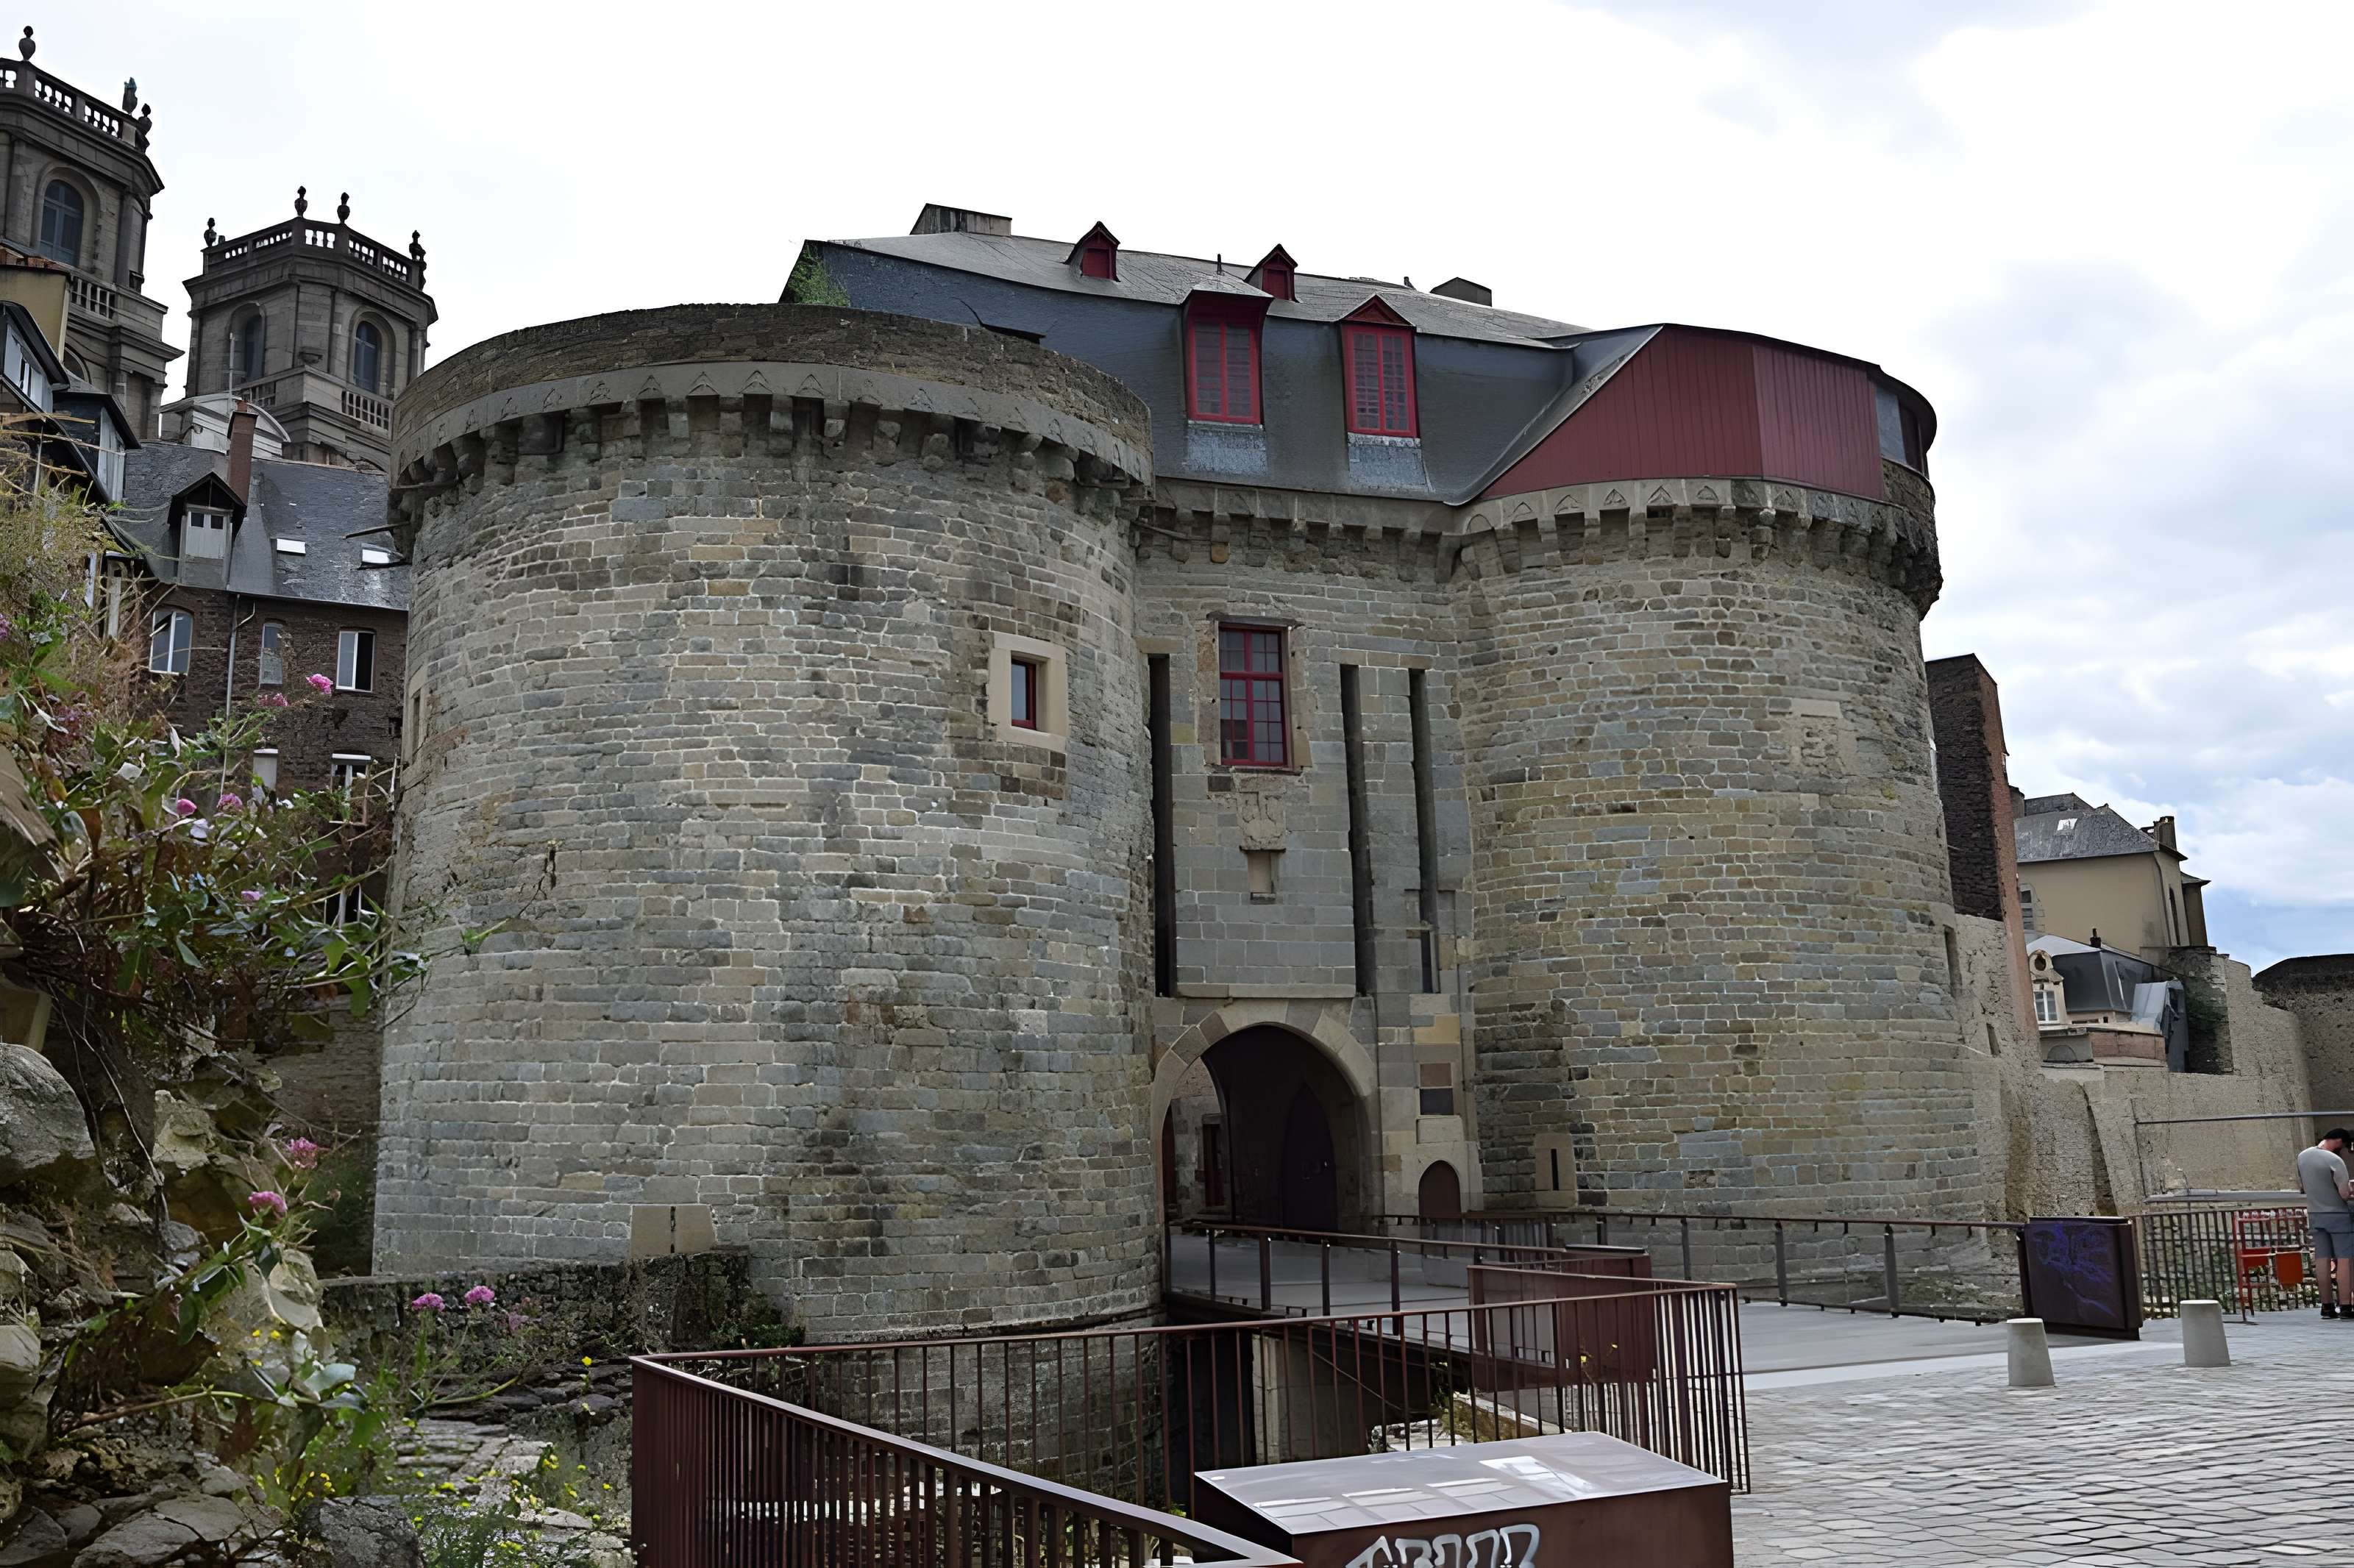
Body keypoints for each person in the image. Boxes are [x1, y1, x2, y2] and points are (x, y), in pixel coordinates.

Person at [2300, 1127, 2354, 1318]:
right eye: (2345, 1145)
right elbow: (2344, 1194)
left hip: (2315, 1214)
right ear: (2338, 1141)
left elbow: (2304, 1187)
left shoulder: (2303, 1156)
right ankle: (2346, 1307)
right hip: (2338, 1216)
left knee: (2322, 1260)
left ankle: (2327, 1307)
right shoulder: (2334, 1160)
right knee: (2344, 1261)